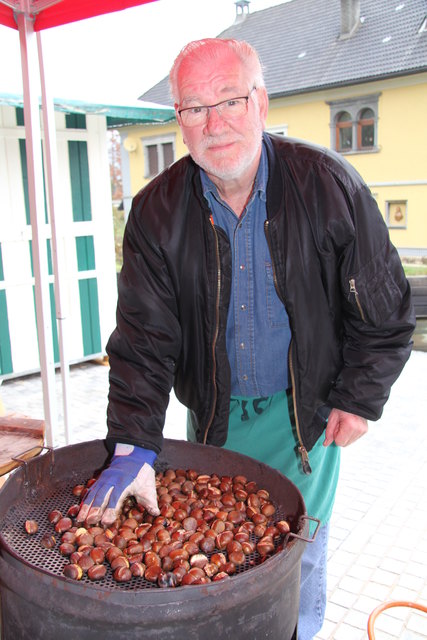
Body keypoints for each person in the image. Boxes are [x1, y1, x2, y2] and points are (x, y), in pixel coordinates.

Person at [77, 38, 415, 639]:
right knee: (219, 552)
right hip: (213, 414)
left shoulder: (329, 184)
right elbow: (144, 342)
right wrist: (132, 446)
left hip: (305, 414)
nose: (215, 124)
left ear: (260, 101)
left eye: (230, 99)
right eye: (194, 107)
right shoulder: (155, 212)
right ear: (179, 120)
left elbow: (384, 308)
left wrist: (360, 398)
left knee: (297, 550)